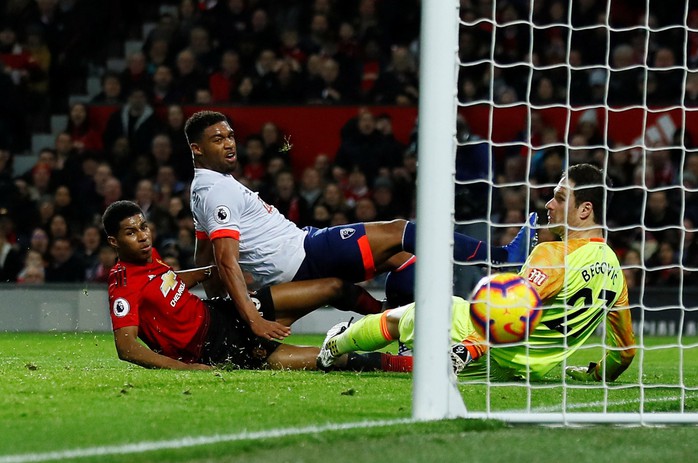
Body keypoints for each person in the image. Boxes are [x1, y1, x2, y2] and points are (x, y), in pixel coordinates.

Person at [185, 110, 535, 341]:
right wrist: (250, 318)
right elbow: (226, 260)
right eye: (218, 139)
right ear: (197, 149)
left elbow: (209, 263)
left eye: (230, 135)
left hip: (301, 254)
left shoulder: (202, 190)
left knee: (401, 259)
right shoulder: (217, 191)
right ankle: (502, 257)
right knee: (400, 230)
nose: (230, 143)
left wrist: (214, 309)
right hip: (305, 254)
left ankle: (402, 328)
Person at [317, 164, 637, 383]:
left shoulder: (553, 254)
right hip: (521, 368)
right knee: (428, 372)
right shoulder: (615, 272)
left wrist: (469, 347)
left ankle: (337, 344)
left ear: (585, 210)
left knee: (400, 319)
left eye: (560, 197)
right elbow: (625, 353)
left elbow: (509, 314)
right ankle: (358, 362)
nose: (549, 204)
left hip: (482, 335)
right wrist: (594, 375)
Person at [102, 200, 383, 371]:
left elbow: (165, 283)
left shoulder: (149, 257)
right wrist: (185, 370)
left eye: (143, 227)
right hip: (216, 347)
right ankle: (405, 364)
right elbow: (127, 348)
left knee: (334, 287)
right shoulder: (123, 284)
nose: (142, 236)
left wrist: (206, 272)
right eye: (131, 232)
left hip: (222, 312)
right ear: (114, 242)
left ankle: (391, 315)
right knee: (333, 359)